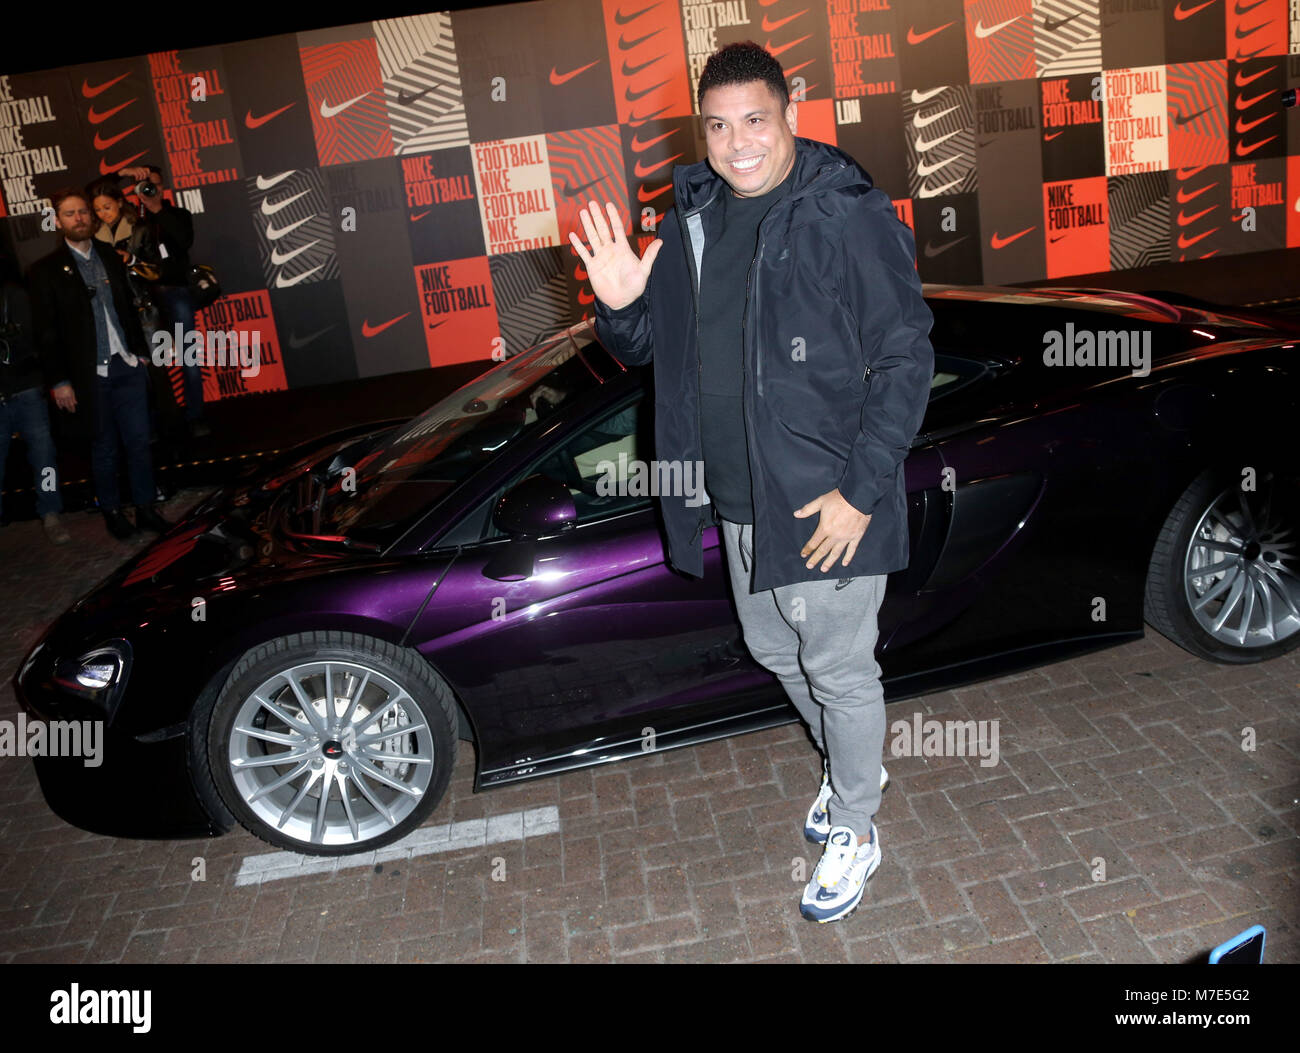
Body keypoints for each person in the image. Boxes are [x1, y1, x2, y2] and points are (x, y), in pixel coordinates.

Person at [575, 42, 934, 924]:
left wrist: (860, 492)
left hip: (822, 503)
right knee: (777, 652)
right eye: (719, 125)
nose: (737, 143)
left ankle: (857, 820)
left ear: (791, 113)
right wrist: (622, 304)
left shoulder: (844, 217)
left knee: (839, 669)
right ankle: (856, 763)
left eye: (755, 121)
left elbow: (905, 357)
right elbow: (656, 353)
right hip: (741, 502)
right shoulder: (694, 219)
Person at [27, 188, 171, 540]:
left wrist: (139, 353)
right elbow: (46, 333)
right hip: (90, 374)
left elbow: (128, 306)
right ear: (58, 221)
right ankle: (111, 511)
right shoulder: (45, 271)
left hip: (127, 365)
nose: (79, 218)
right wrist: (60, 380)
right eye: (70, 214)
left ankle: (145, 507)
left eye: (83, 212)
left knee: (138, 441)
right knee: (104, 445)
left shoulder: (109, 254)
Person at [117, 164, 209, 437]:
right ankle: (158, 419)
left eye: (154, 184)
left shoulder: (177, 214)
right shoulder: (131, 219)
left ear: (163, 187)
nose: (149, 189)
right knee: (151, 360)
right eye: (144, 185)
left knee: (188, 356)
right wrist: (125, 173)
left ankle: (196, 416)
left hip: (176, 290)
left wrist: (157, 207)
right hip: (143, 298)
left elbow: (184, 241)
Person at [0, 257, 69, 544]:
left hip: (26, 390)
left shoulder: (12, 296)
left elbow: (35, 339)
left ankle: (51, 513)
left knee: (44, 460)